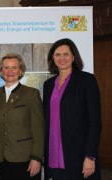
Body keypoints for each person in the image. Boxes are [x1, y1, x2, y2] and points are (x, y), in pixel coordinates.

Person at [43, 38, 102, 180]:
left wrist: (90, 156)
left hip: (78, 154)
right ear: (52, 58)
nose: (61, 58)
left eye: (66, 54)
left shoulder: (87, 80)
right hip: (53, 154)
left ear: (74, 56)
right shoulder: (48, 84)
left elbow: (95, 121)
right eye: (57, 54)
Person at [0, 52, 44, 180]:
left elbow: (39, 130)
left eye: (14, 67)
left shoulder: (31, 94)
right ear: (1, 71)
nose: (10, 71)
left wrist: (37, 158)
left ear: (20, 71)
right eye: (6, 67)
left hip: (26, 159)